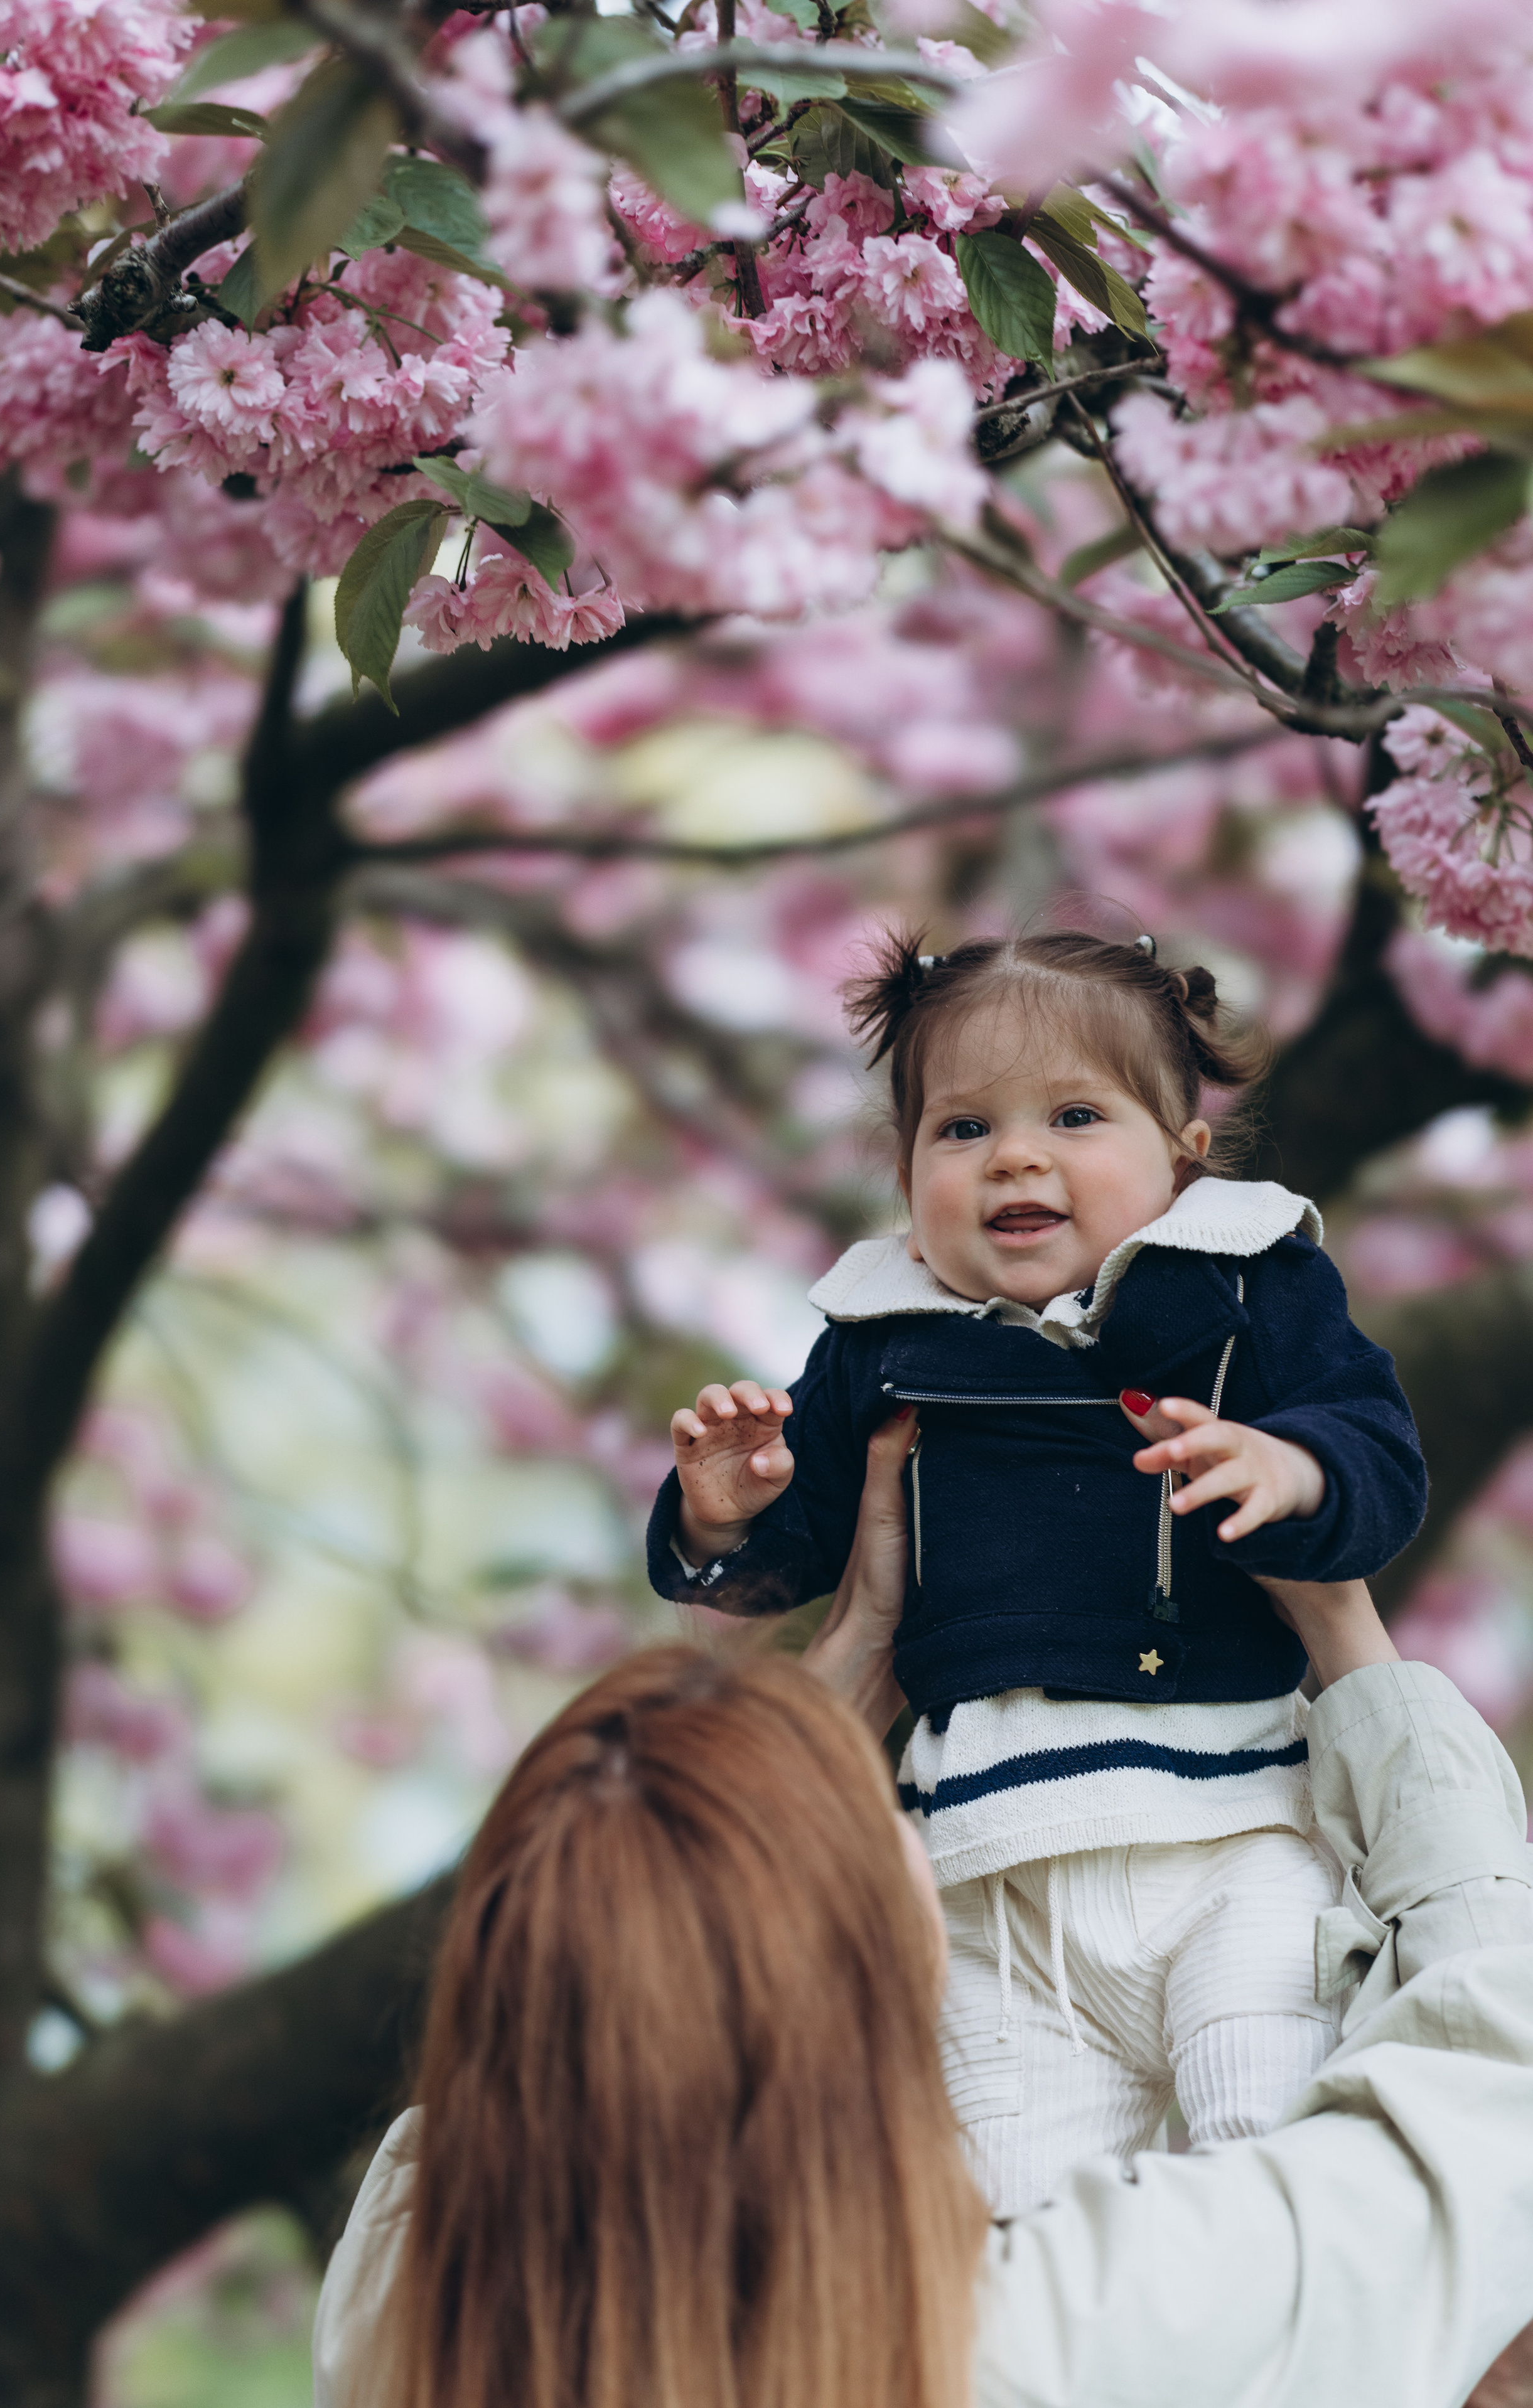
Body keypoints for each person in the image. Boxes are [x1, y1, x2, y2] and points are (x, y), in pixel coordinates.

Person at [313, 1420, 1533, 2408]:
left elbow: (581, 2034)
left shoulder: (413, 2301)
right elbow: (1477, 2112)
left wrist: (845, 1659)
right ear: (855, 1973)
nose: (903, 1819)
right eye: (879, 1832)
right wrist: (1348, 1638)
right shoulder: (1044, 2330)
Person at [648, 930, 1429, 2212]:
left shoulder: (1242, 1278)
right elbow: (793, 1559)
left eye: (1073, 1114)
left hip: (1228, 1834)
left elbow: (1372, 1450)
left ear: (1183, 1146)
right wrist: (723, 1515)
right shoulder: (879, 1340)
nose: (1014, 1155)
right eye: (960, 1129)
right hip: (991, 1881)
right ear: (904, 1176)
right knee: (1012, 2222)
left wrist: (1287, 1468)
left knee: (1267, 2149)